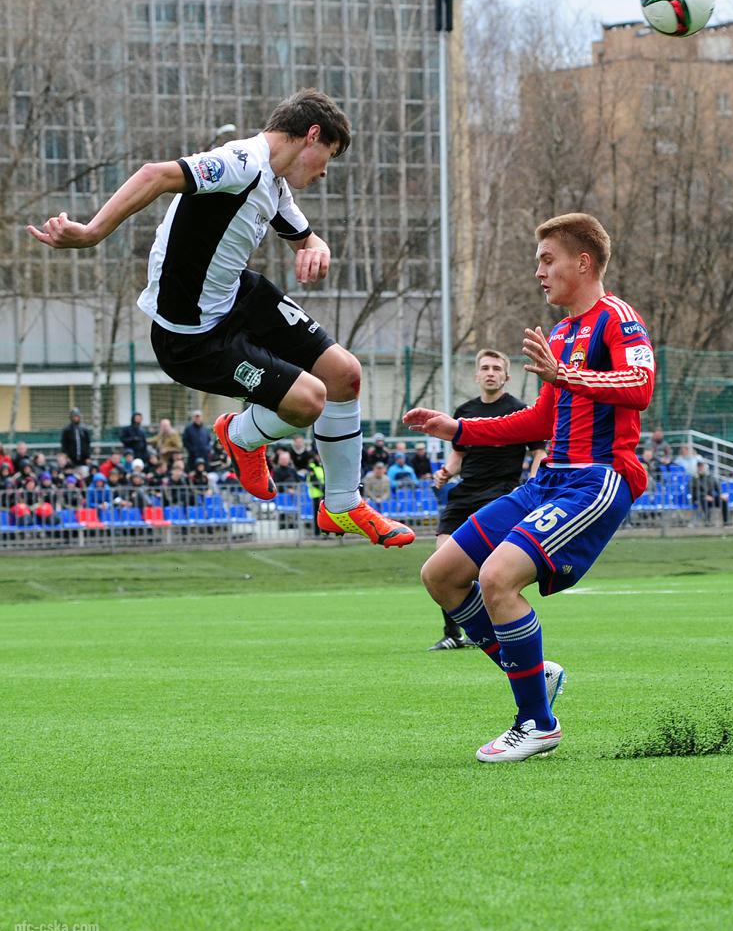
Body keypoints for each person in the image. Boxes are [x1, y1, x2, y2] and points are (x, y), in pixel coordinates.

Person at [28, 89, 413, 550]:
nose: (325, 171)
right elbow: (154, 174)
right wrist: (91, 233)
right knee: (310, 401)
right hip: (193, 338)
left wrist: (317, 247)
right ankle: (239, 435)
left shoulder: (273, 182)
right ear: (312, 135)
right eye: (328, 157)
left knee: (345, 374)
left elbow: (305, 237)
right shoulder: (239, 163)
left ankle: (343, 505)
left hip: (238, 296)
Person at [403, 213, 654, 763]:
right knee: (440, 575)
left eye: (547, 259)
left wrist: (567, 376)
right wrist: (460, 429)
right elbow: (541, 419)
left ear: (582, 262)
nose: (538, 271)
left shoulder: (618, 318)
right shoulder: (560, 334)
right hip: (546, 481)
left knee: (497, 579)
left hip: (595, 480)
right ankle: (539, 677)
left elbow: (641, 385)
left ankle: (537, 723)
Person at [427, 347, 547, 652]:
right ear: (476, 375)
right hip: (464, 494)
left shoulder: (520, 410)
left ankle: (493, 630)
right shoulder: (464, 412)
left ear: (506, 376)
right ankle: (453, 634)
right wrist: (445, 472)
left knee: (485, 569)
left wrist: (534, 481)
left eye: (496, 368)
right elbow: (458, 455)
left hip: (499, 494)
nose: (490, 373)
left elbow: (539, 452)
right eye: (485, 368)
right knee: (440, 564)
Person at [690, 460, 730, 526]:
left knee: (723, 500)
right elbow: (694, 491)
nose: (701, 468)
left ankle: (726, 521)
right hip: (700, 498)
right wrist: (704, 496)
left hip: (711, 498)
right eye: (700, 467)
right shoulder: (694, 478)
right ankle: (707, 521)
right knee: (704, 500)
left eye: (702, 467)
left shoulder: (710, 477)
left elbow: (717, 488)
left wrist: (721, 495)